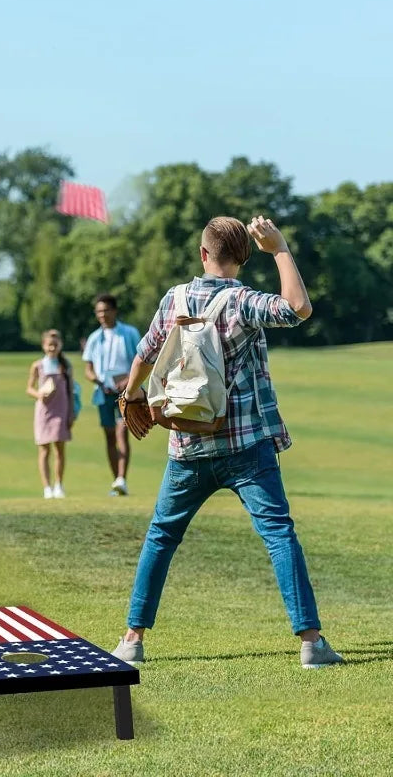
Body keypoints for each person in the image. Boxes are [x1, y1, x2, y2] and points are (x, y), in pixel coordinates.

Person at [112, 216, 343, 669]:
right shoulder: (243, 301)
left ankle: (131, 640)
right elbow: (298, 307)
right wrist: (279, 249)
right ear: (242, 258)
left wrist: (131, 396)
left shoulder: (175, 297)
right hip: (246, 448)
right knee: (279, 536)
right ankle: (312, 644)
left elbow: (145, 353)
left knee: (161, 536)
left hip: (187, 447)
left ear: (203, 254)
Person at [82, 294, 141, 496]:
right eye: (98, 311)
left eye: (105, 310)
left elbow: (140, 361)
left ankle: (122, 478)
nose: (102, 315)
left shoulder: (129, 333)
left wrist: (126, 382)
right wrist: (98, 381)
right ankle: (116, 481)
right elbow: (88, 369)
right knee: (109, 436)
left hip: (125, 392)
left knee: (121, 432)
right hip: (103, 393)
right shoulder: (94, 338)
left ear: (114, 310)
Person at [26, 330, 74, 498]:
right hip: (44, 411)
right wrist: (39, 394)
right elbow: (29, 388)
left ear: (60, 345)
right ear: (43, 346)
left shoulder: (65, 366)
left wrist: (71, 413)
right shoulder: (37, 365)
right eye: (49, 345)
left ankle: (59, 485)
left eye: (55, 344)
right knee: (44, 450)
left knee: (60, 449)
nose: (52, 348)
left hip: (61, 409)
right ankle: (47, 487)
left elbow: (70, 391)